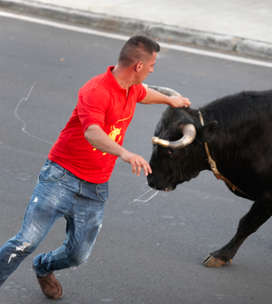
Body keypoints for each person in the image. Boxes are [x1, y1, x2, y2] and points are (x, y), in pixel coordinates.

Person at [0, 35, 190, 299]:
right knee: (25, 242)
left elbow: (144, 94)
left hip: (95, 188)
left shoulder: (131, 88)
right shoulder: (96, 90)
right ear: (137, 66)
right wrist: (124, 152)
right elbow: (92, 133)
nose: (152, 70)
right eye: (151, 65)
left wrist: (171, 101)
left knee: (77, 255)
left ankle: (44, 267)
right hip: (60, 178)